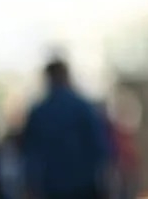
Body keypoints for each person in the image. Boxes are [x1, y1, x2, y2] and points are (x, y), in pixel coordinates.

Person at [21, 58, 112, 199]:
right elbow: (100, 148)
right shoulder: (83, 108)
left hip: (52, 186)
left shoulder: (39, 112)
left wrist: (31, 185)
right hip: (84, 184)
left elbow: (31, 154)